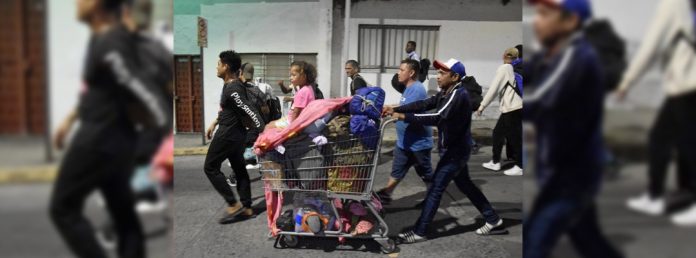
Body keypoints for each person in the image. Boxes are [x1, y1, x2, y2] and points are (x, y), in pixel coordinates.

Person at [50, 0, 169, 257]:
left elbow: (138, 86)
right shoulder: (104, 39)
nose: (76, 3)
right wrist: (69, 120)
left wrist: (158, 125)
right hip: (113, 137)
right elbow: (103, 90)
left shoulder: (110, 41)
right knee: (122, 212)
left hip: (99, 139)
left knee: (63, 207)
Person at [524, 1, 623, 257]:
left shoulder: (577, 56)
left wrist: (511, 107)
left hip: (572, 174)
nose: (536, 20)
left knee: (534, 244)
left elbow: (542, 102)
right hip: (562, 168)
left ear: (570, 21)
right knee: (589, 241)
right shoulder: (552, 54)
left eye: (545, 14)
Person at [384, 58, 504, 243]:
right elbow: (424, 104)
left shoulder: (458, 94)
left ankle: (419, 231)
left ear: (455, 77)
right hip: (454, 149)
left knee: (435, 190)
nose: (437, 76)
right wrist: (396, 108)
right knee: (466, 185)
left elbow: (438, 117)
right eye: (438, 72)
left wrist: (402, 115)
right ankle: (493, 219)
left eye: (442, 73)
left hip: (455, 152)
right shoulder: (446, 92)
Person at [616, 0, 696, 225]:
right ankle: (674, 195)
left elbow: (650, 47)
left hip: (686, 85)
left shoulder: (672, 3)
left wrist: (627, 81)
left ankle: (658, 195)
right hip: (686, 85)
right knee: (676, 141)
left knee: (675, 142)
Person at [204, 50, 265, 224]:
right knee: (239, 169)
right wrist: (214, 122)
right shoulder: (231, 85)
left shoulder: (232, 88)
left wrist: (262, 130)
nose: (216, 67)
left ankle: (233, 204)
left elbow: (249, 110)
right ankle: (247, 207)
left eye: (218, 64)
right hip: (236, 134)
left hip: (228, 134)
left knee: (210, 167)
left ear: (226, 66)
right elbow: (229, 109)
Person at [375, 59, 433, 204]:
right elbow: (404, 106)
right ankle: (386, 194)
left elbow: (411, 113)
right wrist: (391, 107)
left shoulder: (417, 89)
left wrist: (393, 114)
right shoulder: (408, 88)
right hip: (405, 141)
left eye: (401, 70)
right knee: (398, 169)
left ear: (411, 72)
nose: (398, 73)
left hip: (418, 143)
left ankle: (433, 197)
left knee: (426, 173)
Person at [477, 48, 524, 176]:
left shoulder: (505, 68)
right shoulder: (516, 68)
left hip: (512, 108)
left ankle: (520, 166)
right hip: (515, 108)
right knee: (498, 133)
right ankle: (495, 161)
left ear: (504, 55)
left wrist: (482, 106)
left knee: (515, 138)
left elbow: (494, 89)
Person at [266, 61, 317, 129]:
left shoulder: (302, 92)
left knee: (268, 126)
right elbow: (286, 90)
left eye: (294, 75)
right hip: (297, 119)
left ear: (304, 76)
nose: (290, 78)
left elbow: (296, 113)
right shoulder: (308, 88)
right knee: (272, 123)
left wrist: (291, 129)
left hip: (293, 122)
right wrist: (281, 85)